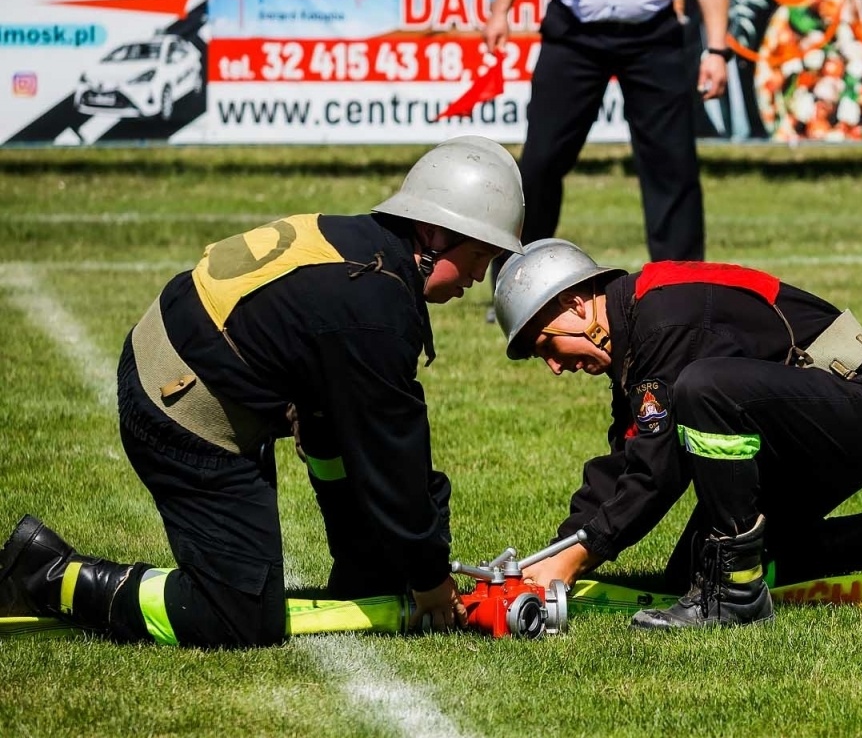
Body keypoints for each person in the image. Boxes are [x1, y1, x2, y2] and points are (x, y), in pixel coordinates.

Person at [0, 137, 525, 647]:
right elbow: (393, 458)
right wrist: (431, 580)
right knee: (237, 615)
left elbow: (345, 429)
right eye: (480, 255)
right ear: (433, 233)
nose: (479, 277)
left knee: (345, 431)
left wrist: (379, 563)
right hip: (180, 409)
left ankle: (364, 566)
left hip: (189, 366)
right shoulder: (374, 312)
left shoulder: (363, 246)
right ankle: (50, 573)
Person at [493, 240, 862, 630]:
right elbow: (630, 455)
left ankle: (737, 595)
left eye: (547, 345)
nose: (554, 366)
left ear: (576, 306)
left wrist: (582, 554)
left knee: (703, 388)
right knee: (695, 570)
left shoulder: (664, 322)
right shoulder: (636, 330)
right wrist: (559, 551)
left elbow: (657, 469)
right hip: (803, 429)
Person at [483, 0, 731, 262]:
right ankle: (518, 278)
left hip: (654, 35)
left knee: (673, 167)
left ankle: (680, 289)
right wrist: (501, 10)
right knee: (541, 161)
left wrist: (717, 49)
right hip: (573, 33)